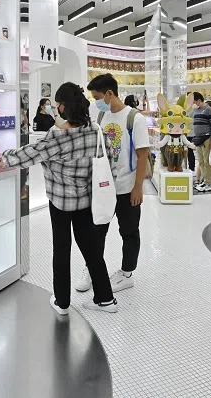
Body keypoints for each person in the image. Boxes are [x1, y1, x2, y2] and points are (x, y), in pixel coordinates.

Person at [2, 82, 119, 314]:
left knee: (61, 249)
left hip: (60, 203)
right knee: (92, 250)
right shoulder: (96, 131)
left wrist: (2, 155)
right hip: (87, 202)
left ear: (63, 107)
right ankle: (105, 298)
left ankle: (62, 302)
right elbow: (109, 165)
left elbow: (25, 156)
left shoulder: (57, 137)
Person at [83, 74, 150, 294]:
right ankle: (92, 268)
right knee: (96, 231)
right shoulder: (102, 116)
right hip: (104, 188)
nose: (96, 102)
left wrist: (138, 187)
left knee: (129, 232)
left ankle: (126, 274)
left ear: (109, 94)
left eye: (97, 97)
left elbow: (143, 155)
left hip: (127, 187)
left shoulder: (134, 118)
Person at [191, 92, 211, 193]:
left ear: (199, 100)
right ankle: (204, 180)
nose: (193, 104)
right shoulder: (195, 110)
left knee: (207, 162)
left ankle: (208, 183)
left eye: (194, 101)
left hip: (207, 138)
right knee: (201, 162)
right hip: (198, 139)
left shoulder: (208, 110)